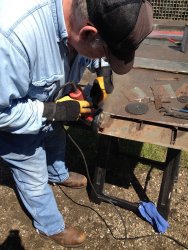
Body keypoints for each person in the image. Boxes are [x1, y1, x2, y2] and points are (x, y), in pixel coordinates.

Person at [0, 0, 153, 248]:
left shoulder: (82, 14)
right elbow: (1, 113)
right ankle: (49, 226)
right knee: (33, 172)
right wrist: (55, 110)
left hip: (45, 102)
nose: (103, 58)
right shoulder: (11, 38)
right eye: (104, 53)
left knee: (55, 137)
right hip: (14, 120)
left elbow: (92, 47)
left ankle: (58, 174)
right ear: (88, 33)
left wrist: (102, 69)